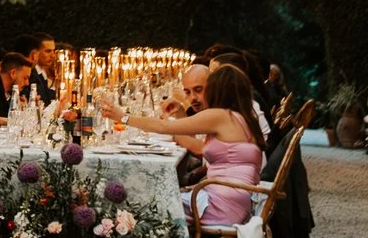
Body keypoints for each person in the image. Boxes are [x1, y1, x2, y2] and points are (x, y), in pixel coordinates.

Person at [105, 64, 268, 226]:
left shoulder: (220, 116)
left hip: (221, 206)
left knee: (144, 203)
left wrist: (123, 117)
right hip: (238, 203)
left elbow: (163, 127)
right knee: (156, 198)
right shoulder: (245, 119)